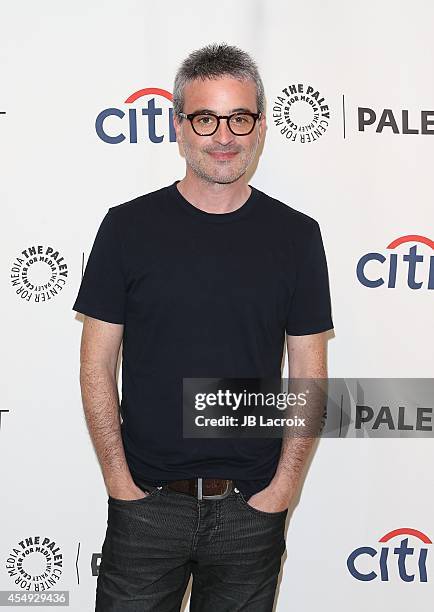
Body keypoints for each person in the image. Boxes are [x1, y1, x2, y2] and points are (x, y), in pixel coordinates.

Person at [73, 42, 334, 611]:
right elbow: (96, 367)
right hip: (146, 506)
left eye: (239, 118)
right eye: (206, 118)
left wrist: (280, 492)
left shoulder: (297, 236)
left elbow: (309, 374)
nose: (224, 136)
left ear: (260, 127)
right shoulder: (125, 229)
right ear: (178, 126)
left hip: (250, 510)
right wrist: (121, 485)